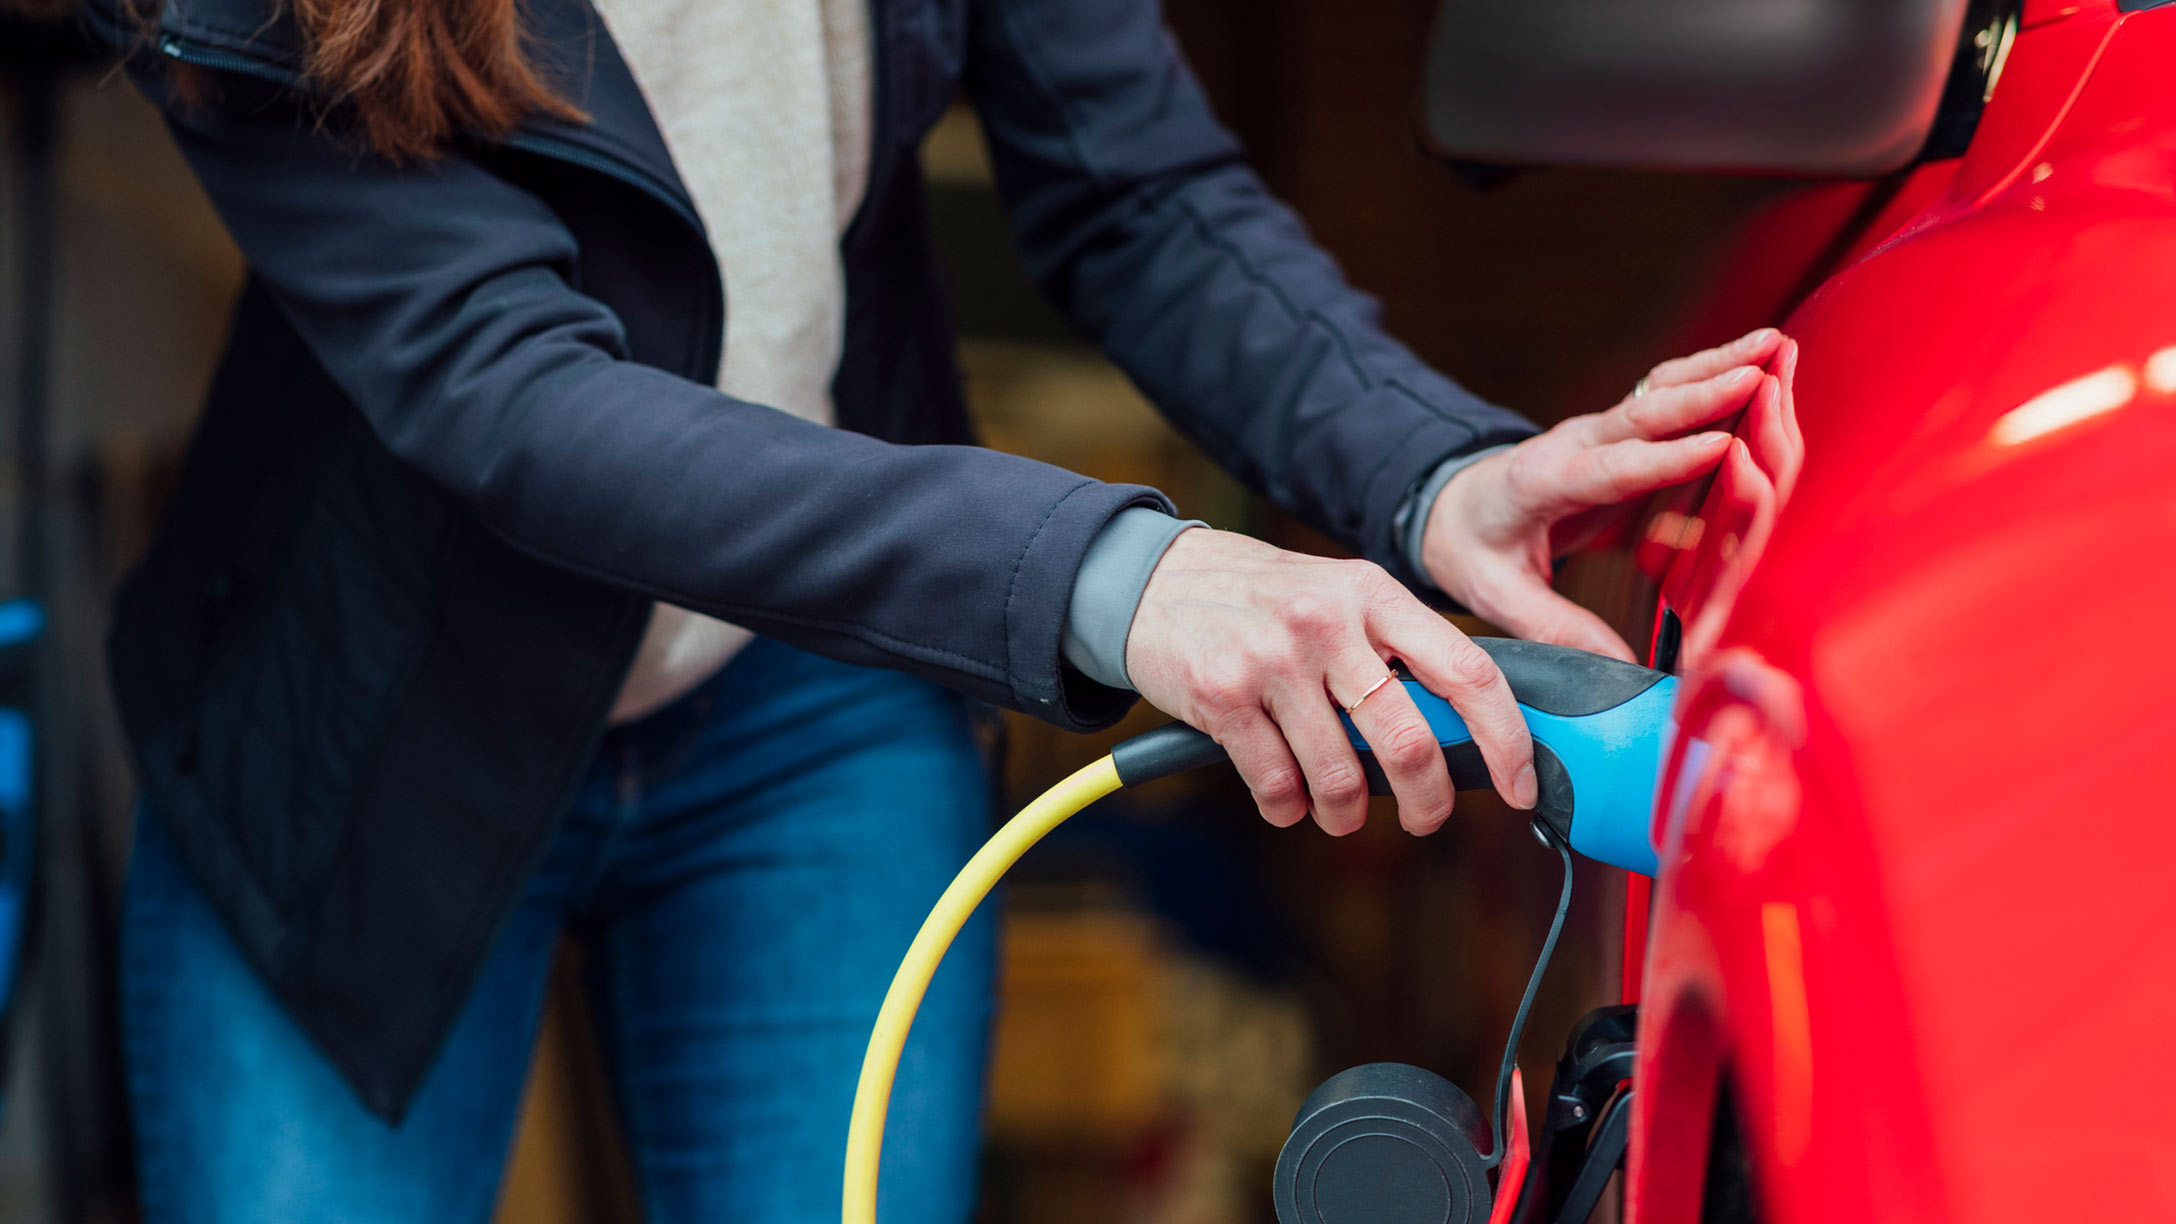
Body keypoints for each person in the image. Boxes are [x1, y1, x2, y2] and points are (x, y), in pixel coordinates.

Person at [73, 0, 1787, 1218]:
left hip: (809, 694)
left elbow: (1136, 187)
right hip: (364, 728)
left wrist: (1431, 476)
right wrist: (1121, 578)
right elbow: (509, 396)